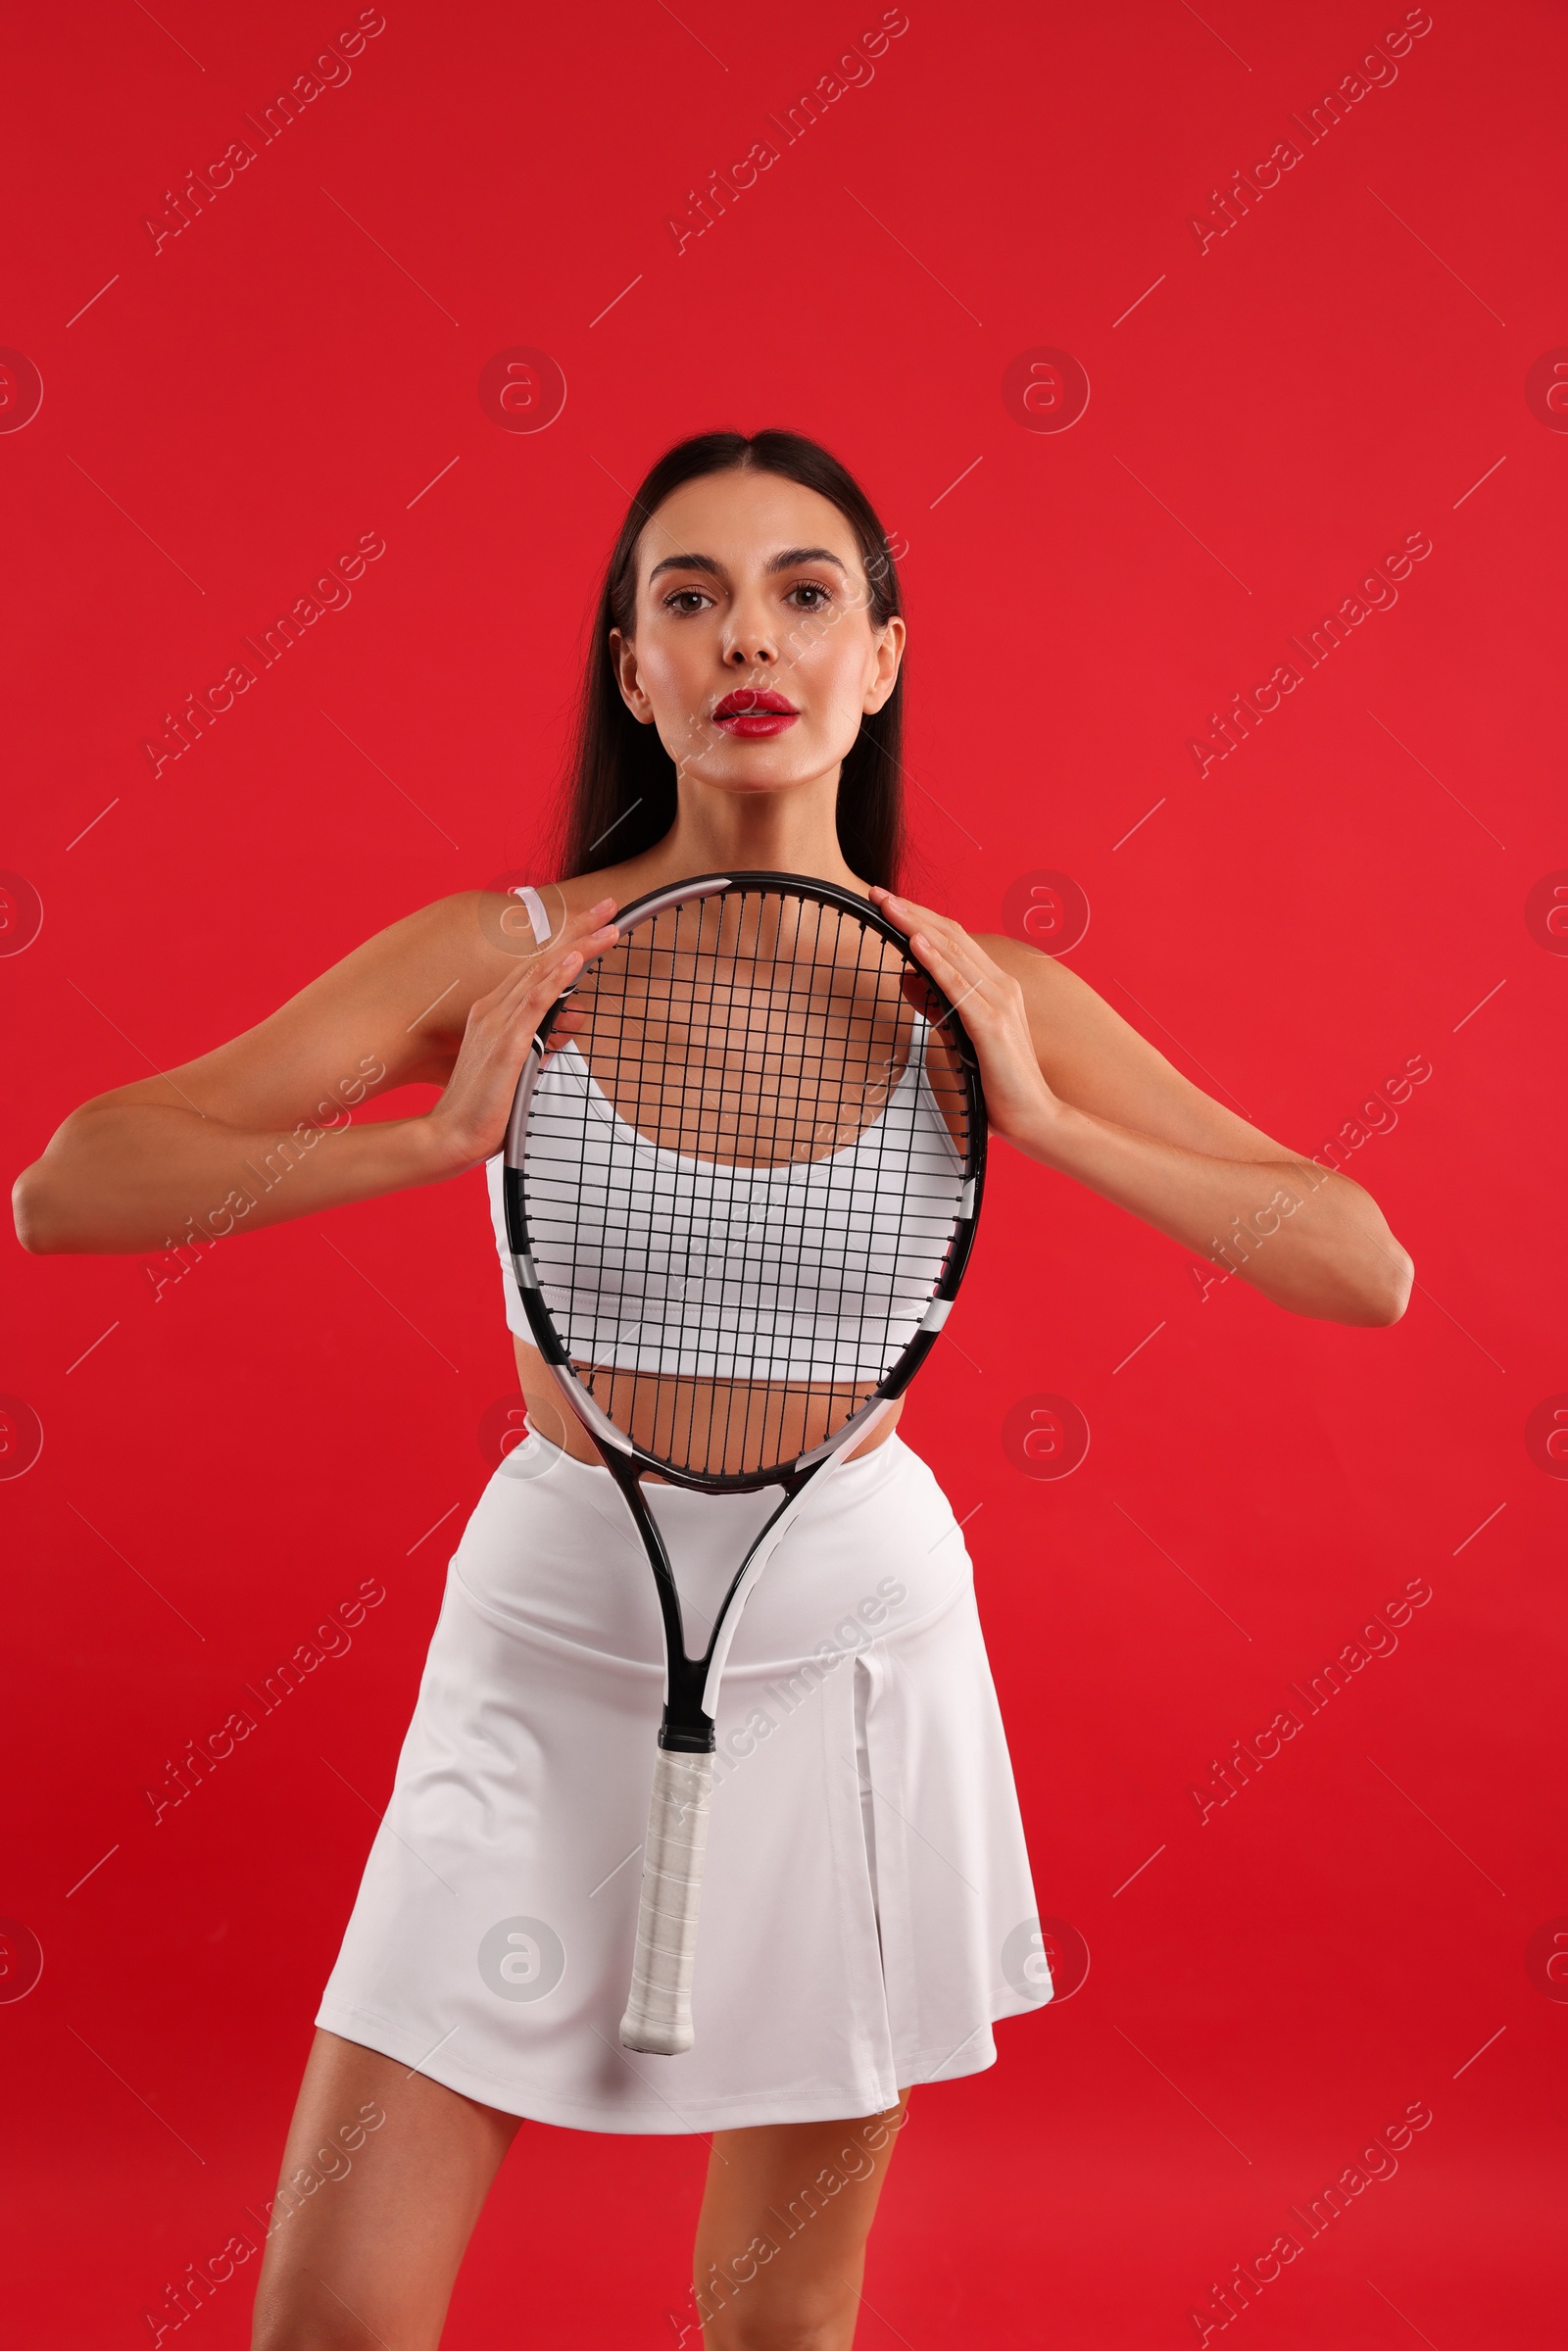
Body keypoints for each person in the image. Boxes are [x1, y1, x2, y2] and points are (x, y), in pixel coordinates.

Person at [14, 428, 1413, 2350]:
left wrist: (1046, 1115)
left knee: (773, 2326)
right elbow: (68, 1186)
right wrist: (422, 1146)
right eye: (687, 595)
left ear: (879, 661)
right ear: (631, 669)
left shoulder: (985, 993)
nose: (745, 633)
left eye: (800, 590)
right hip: (543, 1650)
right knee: (333, 2320)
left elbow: (1361, 1262)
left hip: (847, 1675)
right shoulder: (491, 957)